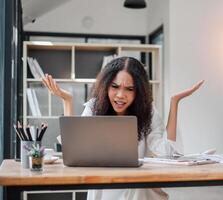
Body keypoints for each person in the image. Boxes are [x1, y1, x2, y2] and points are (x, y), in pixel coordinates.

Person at [42, 56, 204, 200]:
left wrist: (174, 103)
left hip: (136, 189)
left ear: (138, 92)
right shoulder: (94, 107)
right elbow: (74, 151)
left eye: (129, 89)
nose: (120, 95)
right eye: (115, 86)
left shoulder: (148, 111)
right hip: (103, 188)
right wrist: (67, 101)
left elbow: (168, 153)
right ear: (106, 86)